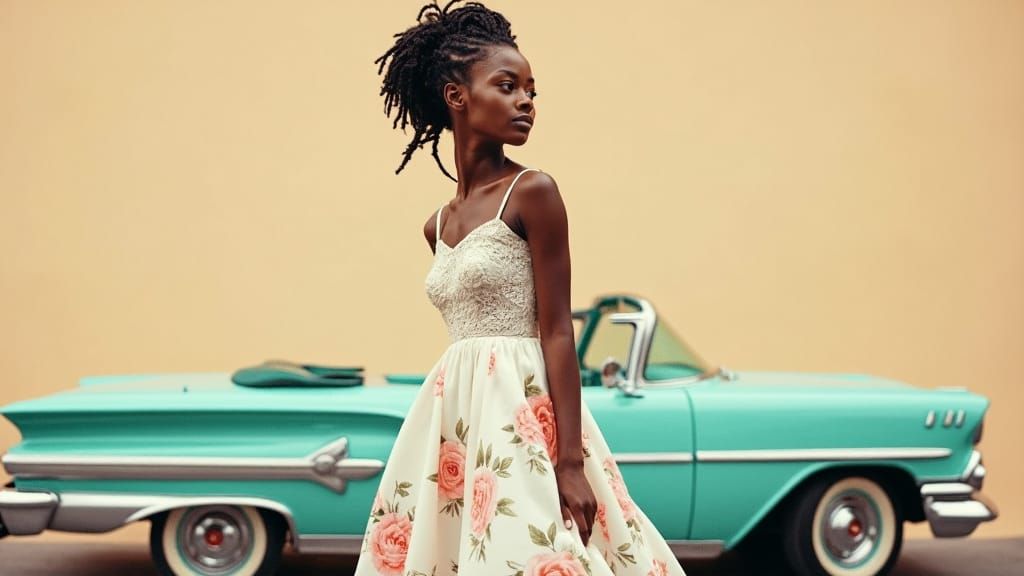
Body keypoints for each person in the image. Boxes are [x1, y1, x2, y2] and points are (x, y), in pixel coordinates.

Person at [354, 2, 687, 575]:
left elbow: (557, 330)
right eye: (507, 86)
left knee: (538, 552)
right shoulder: (437, 225)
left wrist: (570, 462)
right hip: (456, 413)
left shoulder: (533, 192)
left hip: (525, 412)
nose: (526, 101)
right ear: (457, 96)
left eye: (531, 90)